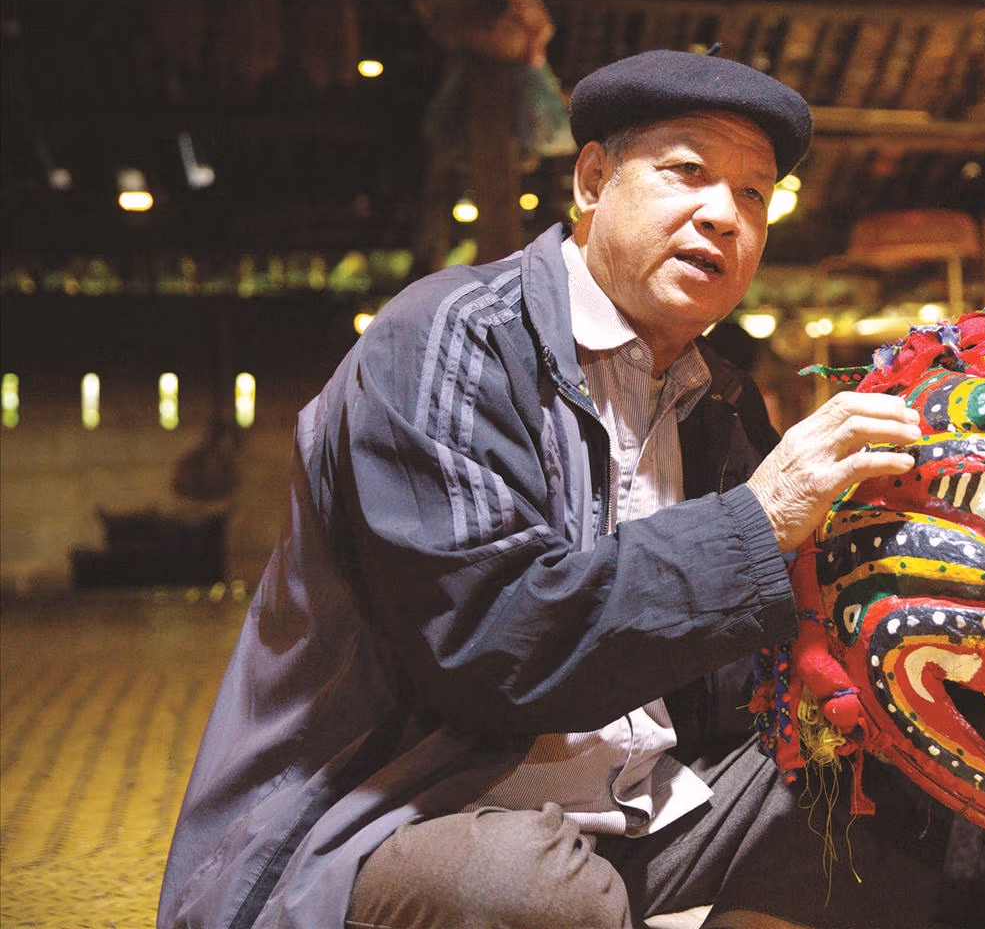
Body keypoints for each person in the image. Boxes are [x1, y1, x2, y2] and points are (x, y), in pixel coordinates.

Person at [156, 49, 927, 929]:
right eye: (688, 172)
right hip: (400, 804)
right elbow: (491, 645)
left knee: (888, 783)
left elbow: (734, 662)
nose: (724, 215)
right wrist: (756, 520)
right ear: (593, 181)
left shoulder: (721, 397)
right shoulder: (449, 343)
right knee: (534, 890)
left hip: (642, 803)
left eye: (754, 194)